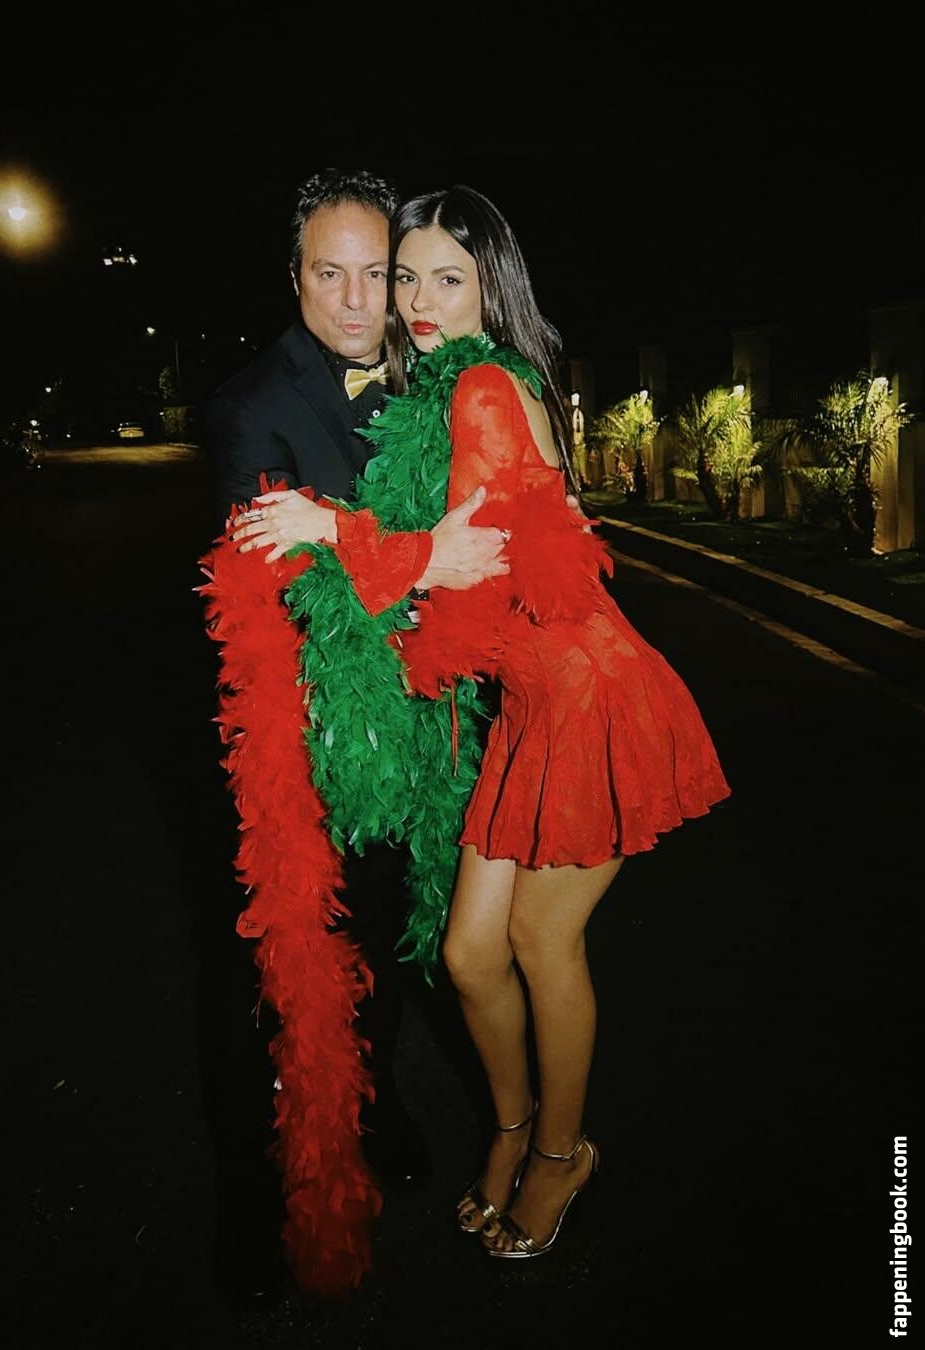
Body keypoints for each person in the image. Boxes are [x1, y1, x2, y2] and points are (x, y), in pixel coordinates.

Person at [234, 184, 730, 1262]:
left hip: (590, 698)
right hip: (529, 708)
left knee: (543, 942)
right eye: (407, 277)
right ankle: (510, 1127)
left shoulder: (483, 391)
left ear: (491, 288)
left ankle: (561, 1152)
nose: (417, 302)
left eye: (446, 279)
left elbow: (477, 572)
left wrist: (332, 527)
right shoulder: (452, 386)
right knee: (467, 954)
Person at [201, 169, 508, 1299]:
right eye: (328, 273)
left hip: (406, 734)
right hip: (300, 750)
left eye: (374, 273)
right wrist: (425, 560)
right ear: (294, 277)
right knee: (276, 982)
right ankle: (256, 1209)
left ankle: (371, 1117)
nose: (354, 299)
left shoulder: (432, 381)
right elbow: (279, 585)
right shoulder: (249, 405)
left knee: (381, 952)